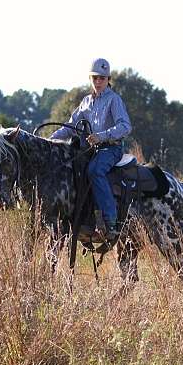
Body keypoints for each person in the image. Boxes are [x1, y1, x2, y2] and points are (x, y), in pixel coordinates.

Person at [51, 58, 132, 240]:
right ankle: (83, 219)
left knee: (95, 170)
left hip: (112, 148)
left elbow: (125, 126)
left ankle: (110, 220)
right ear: (90, 79)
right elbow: (70, 126)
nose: (98, 82)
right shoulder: (86, 101)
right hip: (93, 150)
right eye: (94, 78)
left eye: (102, 78)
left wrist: (101, 136)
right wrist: (49, 140)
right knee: (73, 171)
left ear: (108, 79)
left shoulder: (114, 100)